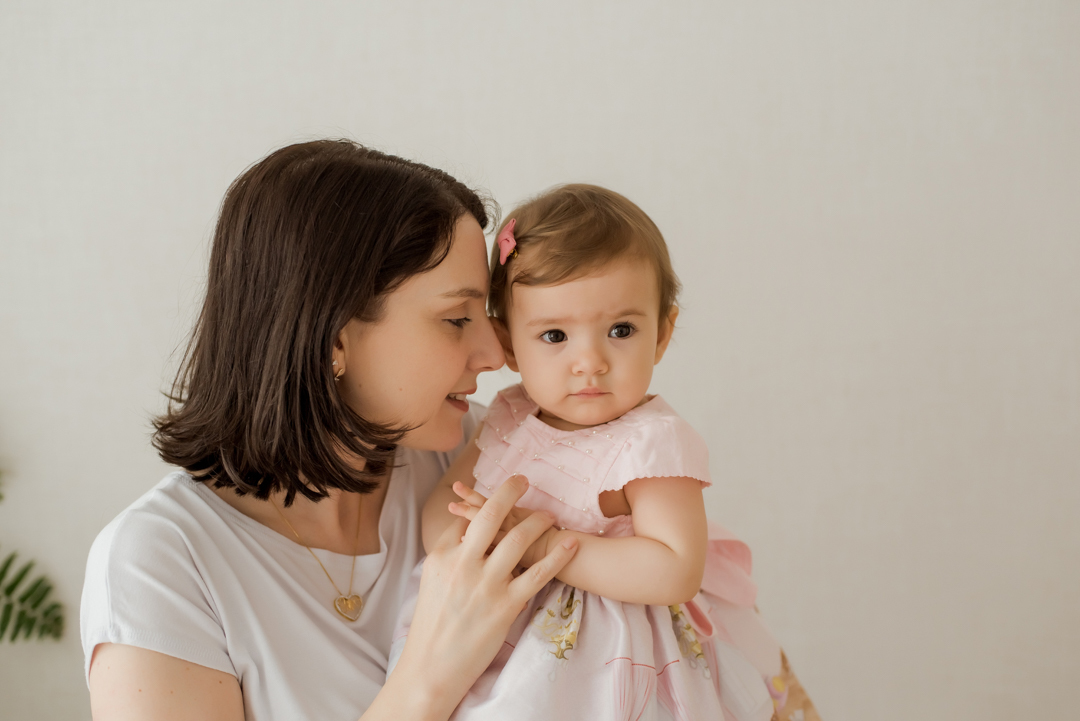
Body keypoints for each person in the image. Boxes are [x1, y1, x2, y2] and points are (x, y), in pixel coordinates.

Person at [79, 140, 581, 721]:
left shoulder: (481, 464)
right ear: (335, 339)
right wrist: (427, 681)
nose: (496, 352)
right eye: (455, 319)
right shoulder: (161, 564)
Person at [390, 185, 820, 721]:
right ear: (506, 343)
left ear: (662, 334)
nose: (589, 361)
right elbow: (450, 501)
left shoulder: (651, 441)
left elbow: (673, 569)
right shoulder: (505, 414)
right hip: (496, 624)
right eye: (554, 335)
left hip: (613, 652)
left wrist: (543, 545)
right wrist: (461, 538)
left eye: (621, 330)